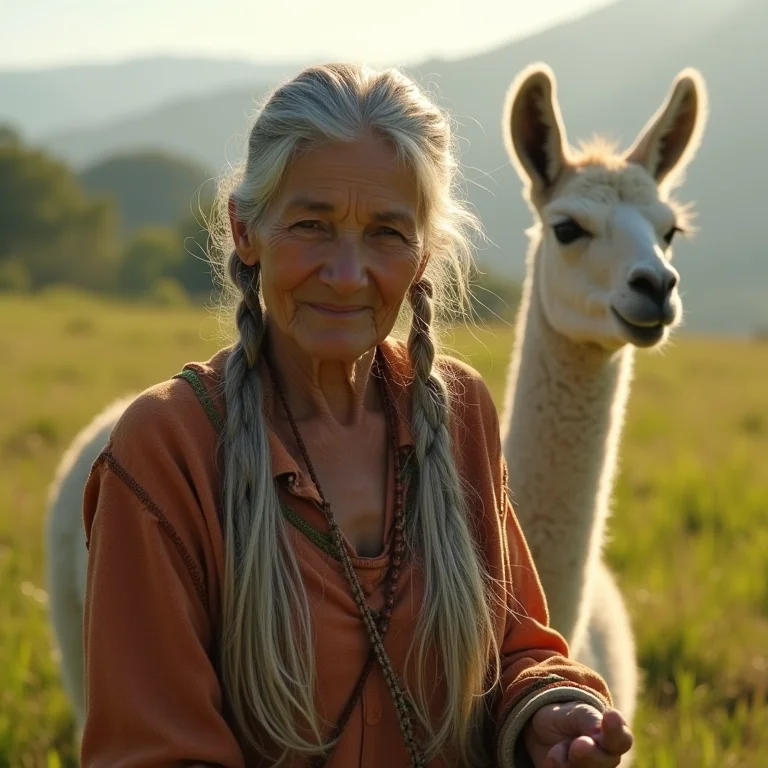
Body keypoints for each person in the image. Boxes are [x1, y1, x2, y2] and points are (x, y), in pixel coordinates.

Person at [80, 62, 634, 767]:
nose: (348, 275)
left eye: (385, 233)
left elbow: (515, 649)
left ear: (424, 253)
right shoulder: (168, 450)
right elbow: (152, 748)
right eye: (312, 225)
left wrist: (550, 713)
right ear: (245, 230)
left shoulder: (457, 417)